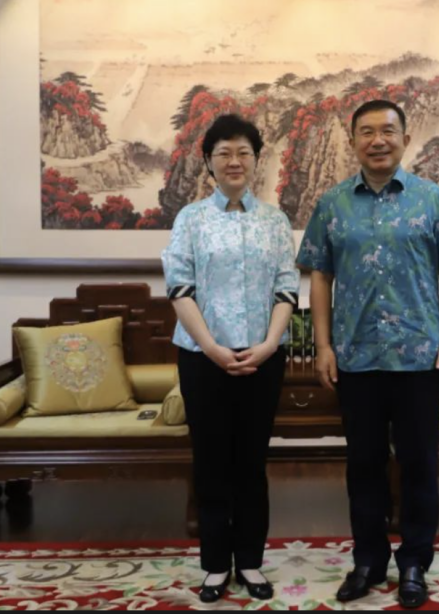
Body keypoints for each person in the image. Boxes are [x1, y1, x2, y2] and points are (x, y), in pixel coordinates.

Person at [296, 99, 439, 609]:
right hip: (356, 358)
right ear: (353, 141)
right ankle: (369, 561)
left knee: (419, 465)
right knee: (363, 466)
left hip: (420, 357)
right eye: (367, 132)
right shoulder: (332, 203)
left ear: (405, 138)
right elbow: (320, 278)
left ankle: (415, 562)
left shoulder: (431, 199)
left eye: (388, 131)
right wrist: (322, 346)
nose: (378, 140)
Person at [162, 114, 299, 603]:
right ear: (208, 162)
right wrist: (213, 349)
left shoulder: (274, 221)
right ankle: (217, 565)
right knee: (211, 460)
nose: (234, 161)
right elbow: (180, 288)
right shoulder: (191, 219)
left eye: (244, 152)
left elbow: (286, 287)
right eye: (224, 153)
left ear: (256, 160)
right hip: (204, 358)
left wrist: (269, 343)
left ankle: (252, 561)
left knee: (252, 461)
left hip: (263, 357)